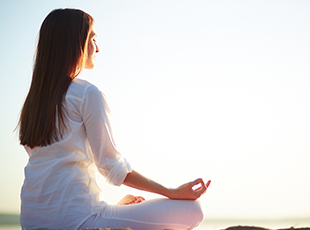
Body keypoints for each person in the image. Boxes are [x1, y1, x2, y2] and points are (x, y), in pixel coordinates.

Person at [18, 8, 210, 230]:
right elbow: (112, 167)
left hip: (31, 222)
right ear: (73, 43)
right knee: (194, 211)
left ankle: (109, 218)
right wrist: (172, 192)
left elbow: (54, 173)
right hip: (78, 222)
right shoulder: (86, 94)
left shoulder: (33, 104)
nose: (97, 48)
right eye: (92, 38)